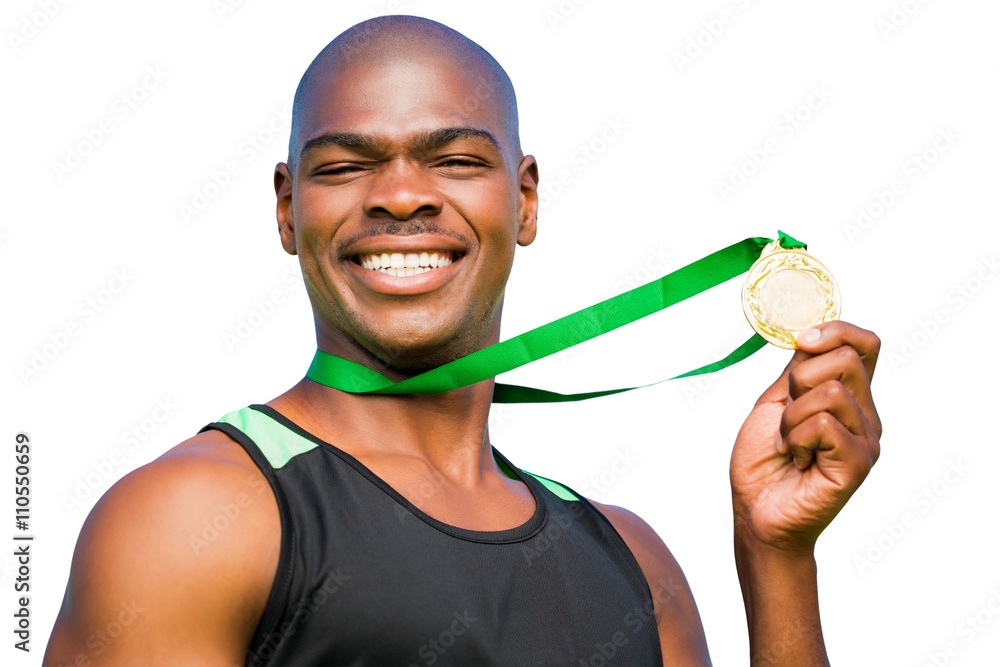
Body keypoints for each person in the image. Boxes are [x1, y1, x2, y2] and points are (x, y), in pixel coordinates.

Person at [44, 15, 881, 667]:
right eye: (344, 167)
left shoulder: (634, 562)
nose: (402, 195)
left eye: (453, 159)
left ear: (524, 202)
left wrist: (777, 559)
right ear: (287, 209)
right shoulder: (194, 517)